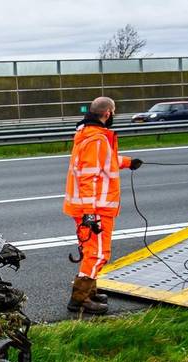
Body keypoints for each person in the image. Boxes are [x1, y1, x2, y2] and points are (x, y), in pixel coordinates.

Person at [63, 96, 142, 314]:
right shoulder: (96, 139)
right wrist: (90, 213)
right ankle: (79, 299)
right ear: (107, 113)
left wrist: (127, 162)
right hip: (95, 208)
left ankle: (90, 290)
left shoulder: (87, 134)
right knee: (98, 253)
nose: (114, 115)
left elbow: (104, 162)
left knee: (91, 250)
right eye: (113, 111)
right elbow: (88, 177)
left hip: (87, 207)